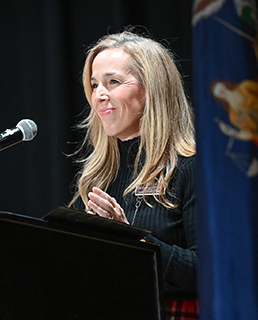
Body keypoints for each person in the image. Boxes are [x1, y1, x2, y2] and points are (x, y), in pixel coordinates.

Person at [69, 30, 198, 319]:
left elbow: (206, 272)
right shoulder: (97, 175)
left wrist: (132, 239)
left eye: (112, 82)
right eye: (94, 85)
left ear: (152, 88)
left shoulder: (191, 167)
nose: (99, 95)